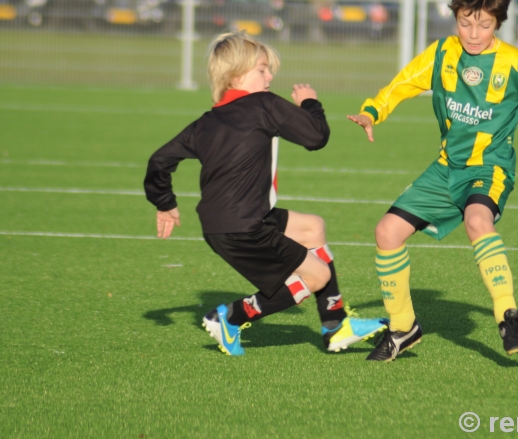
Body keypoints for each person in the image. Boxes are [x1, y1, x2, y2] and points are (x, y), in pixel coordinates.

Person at [348, 0, 518, 362]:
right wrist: (373, 110)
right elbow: (404, 82)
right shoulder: (443, 53)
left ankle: (508, 316)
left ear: (499, 22)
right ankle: (402, 328)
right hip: (446, 169)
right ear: (455, 16)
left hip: (489, 168)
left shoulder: (515, 64)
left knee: (479, 220)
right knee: (386, 231)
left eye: (484, 24)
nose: (473, 33)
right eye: (465, 22)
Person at [145, 31, 387, 356]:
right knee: (316, 276)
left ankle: (335, 326)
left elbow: (159, 161)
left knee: (312, 227)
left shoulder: (207, 121)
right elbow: (316, 136)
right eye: (262, 69)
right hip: (244, 227)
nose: (270, 75)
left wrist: (165, 204)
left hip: (225, 223)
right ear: (235, 75)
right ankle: (230, 316)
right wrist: (309, 103)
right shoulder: (262, 104)